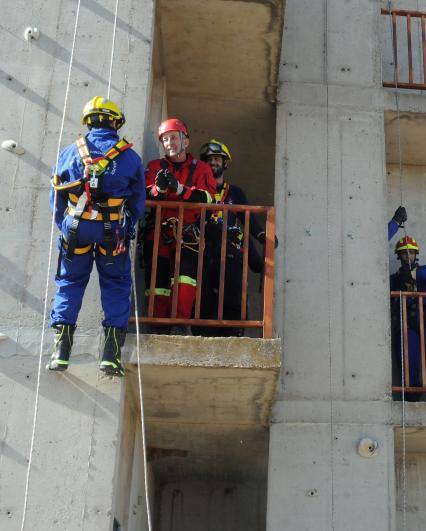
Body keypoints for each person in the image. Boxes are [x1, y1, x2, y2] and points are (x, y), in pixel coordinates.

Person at [48, 96, 145, 376]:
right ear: (114, 122)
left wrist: (65, 227)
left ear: (89, 121)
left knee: (69, 281)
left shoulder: (68, 153)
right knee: (115, 284)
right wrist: (124, 231)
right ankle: (110, 356)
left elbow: (57, 198)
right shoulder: (129, 157)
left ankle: (61, 352)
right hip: (110, 232)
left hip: (75, 229)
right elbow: (137, 203)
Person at [141, 118, 215, 325]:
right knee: (157, 283)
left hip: (188, 233)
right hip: (157, 232)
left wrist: (181, 190)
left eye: (173, 138)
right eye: (165, 140)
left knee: (184, 281)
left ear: (185, 141)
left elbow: (210, 198)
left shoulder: (201, 169)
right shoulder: (155, 167)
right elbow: (143, 195)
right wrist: (160, 189)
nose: (169, 143)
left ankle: (179, 325)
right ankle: (157, 325)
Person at [193, 139, 266, 337]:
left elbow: (247, 217)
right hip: (204, 251)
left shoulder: (235, 192)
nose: (213, 163)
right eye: (209, 160)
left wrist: (261, 235)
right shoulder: (197, 190)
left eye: (217, 159)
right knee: (204, 295)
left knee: (234, 293)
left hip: (231, 252)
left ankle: (235, 330)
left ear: (225, 163)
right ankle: (202, 332)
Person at [390, 236, 426, 402]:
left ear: (416, 255)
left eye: (411, 253)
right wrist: (403, 277)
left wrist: (414, 274)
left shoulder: (425, 271)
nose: (408, 256)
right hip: (407, 324)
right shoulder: (395, 279)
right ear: (399, 256)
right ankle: (411, 395)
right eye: (404, 253)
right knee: (409, 360)